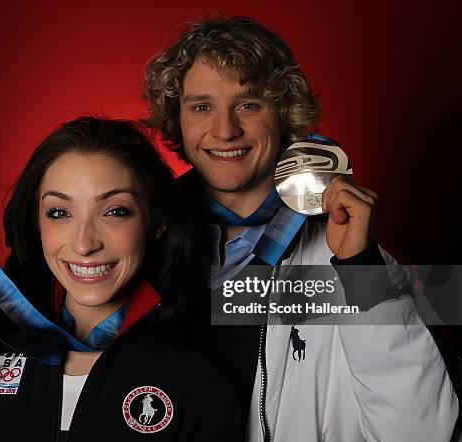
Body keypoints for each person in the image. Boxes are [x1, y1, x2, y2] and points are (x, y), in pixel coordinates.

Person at [143, 16, 459, 441]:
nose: (225, 130)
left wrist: (361, 273)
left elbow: (423, 434)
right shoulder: (138, 243)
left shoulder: (355, 257)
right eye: (202, 106)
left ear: (285, 114)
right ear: (177, 119)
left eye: (249, 104)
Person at [0, 117, 241, 441]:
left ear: (156, 223)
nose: (83, 243)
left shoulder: (196, 377)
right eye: (59, 213)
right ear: (37, 224)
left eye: (115, 211)